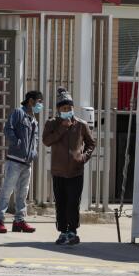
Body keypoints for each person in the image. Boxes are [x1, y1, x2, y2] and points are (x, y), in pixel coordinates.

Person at [41, 87, 96, 246]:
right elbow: (47, 141)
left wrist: (83, 157)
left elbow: (91, 143)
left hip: (75, 171)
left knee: (73, 202)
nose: (68, 111)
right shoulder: (52, 123)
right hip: (58, 171)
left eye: (70, 108)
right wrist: (62, 127)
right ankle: (62, 231)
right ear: (59, 109)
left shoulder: (81, 124)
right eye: (64, 108)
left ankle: (73, 232)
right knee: (61, 202)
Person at [0, 90, 44, 233]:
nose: (40, 105)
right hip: (14, 160)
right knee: (7, 191)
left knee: (23, 193)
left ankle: (19, 221)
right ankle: (0, 220)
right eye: (39, 102)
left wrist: (33, 152)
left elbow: (34, 139)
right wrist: (17, 143)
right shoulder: (18, 113)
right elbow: (8, 129)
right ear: (31, 101)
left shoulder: (34, 119)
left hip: (27, 162)